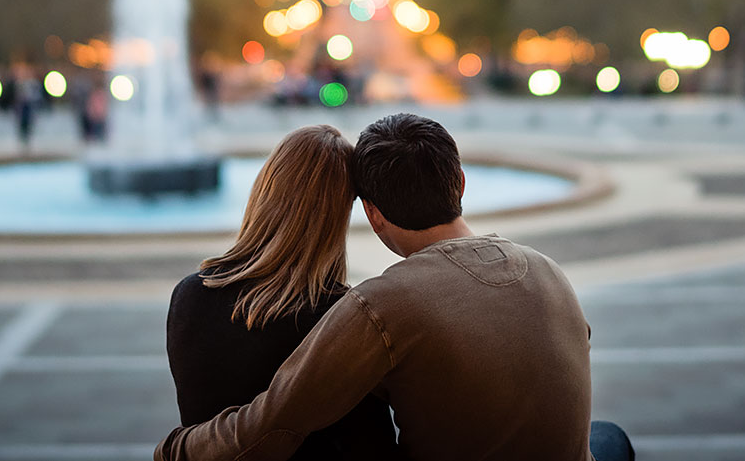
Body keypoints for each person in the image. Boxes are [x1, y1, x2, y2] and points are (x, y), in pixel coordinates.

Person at [155, 112, 632, 461]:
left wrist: (176, 448)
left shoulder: (382, 305)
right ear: (460, 183)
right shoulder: (549, 270)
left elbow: (274, 422)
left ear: (373, 215)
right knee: (609, 437)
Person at [165, 125, 396, 461]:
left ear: (265, 187)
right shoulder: (342, 317)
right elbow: (371, 445)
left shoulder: (190, 295)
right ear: (339, 213)